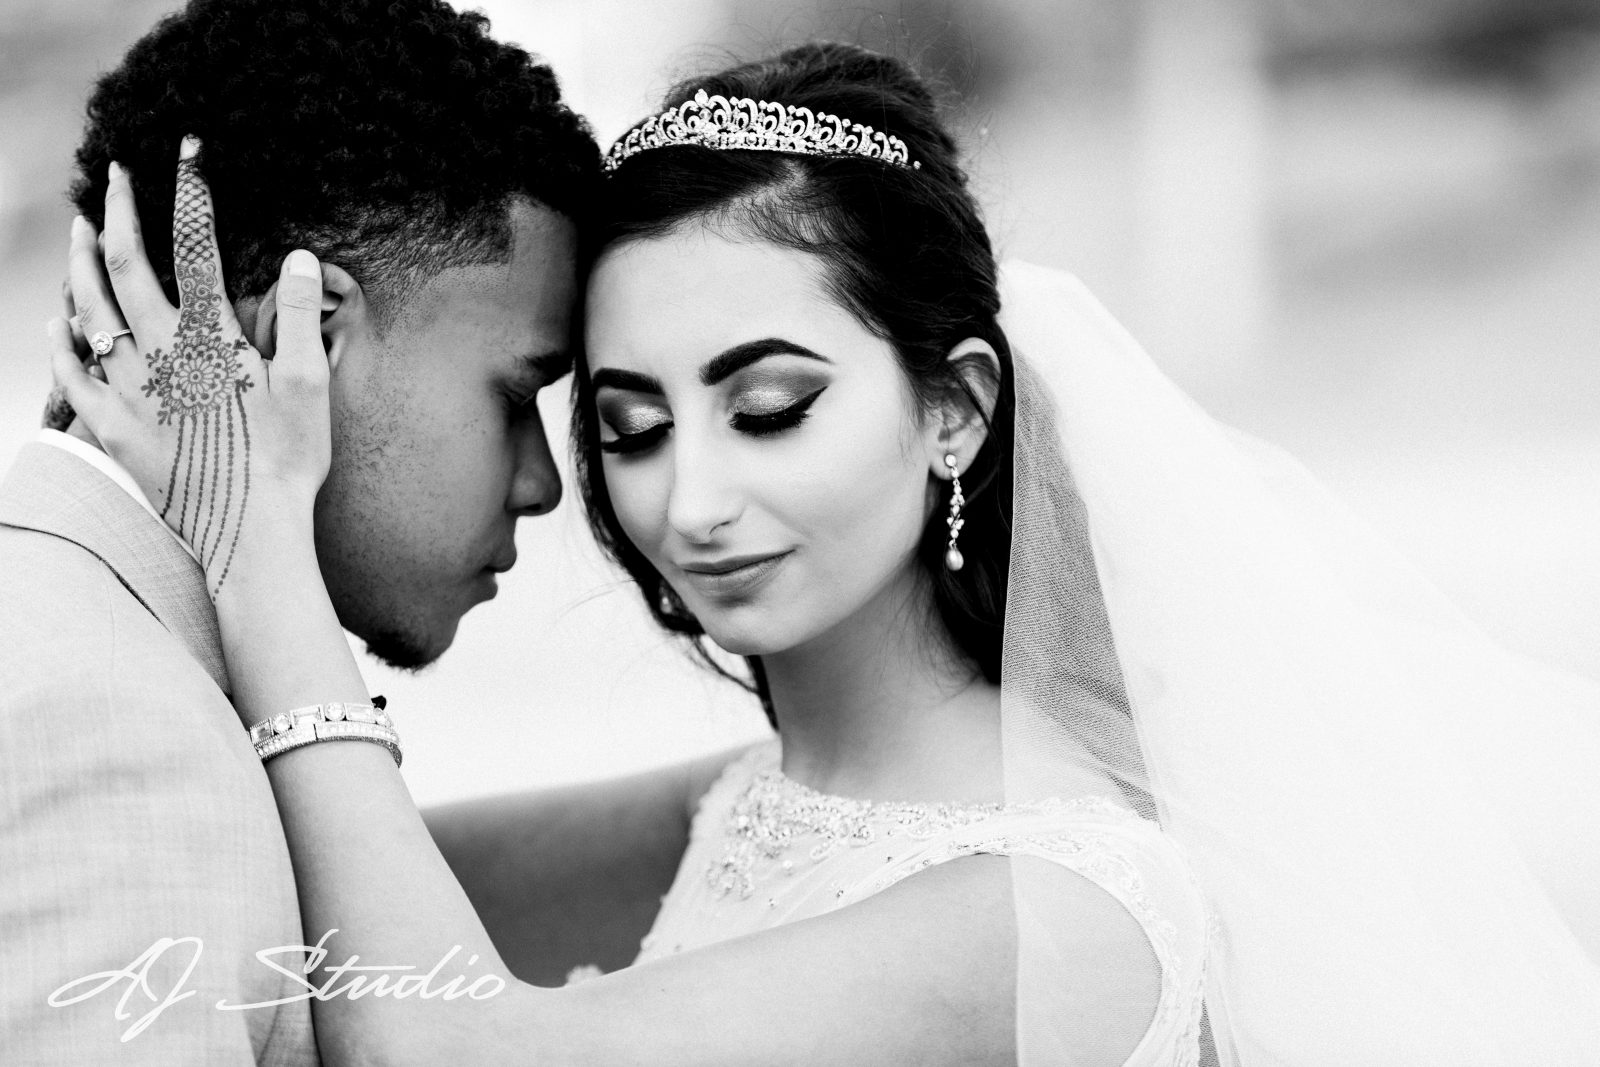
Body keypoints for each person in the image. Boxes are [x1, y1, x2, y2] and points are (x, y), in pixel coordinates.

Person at [54, 40, 1600, 1067]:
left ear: (954, 407)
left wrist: (256, 528)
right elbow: (282, 898)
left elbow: (437, 1048)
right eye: (635, 425)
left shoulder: (1059, 899)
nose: (692, 500)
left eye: (771, 405)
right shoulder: (740, 810)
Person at [0, 0, 595, 1061]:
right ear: (301, 336)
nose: (543, 481)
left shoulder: (89, 631)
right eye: (516, 394)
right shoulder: (108, 723)